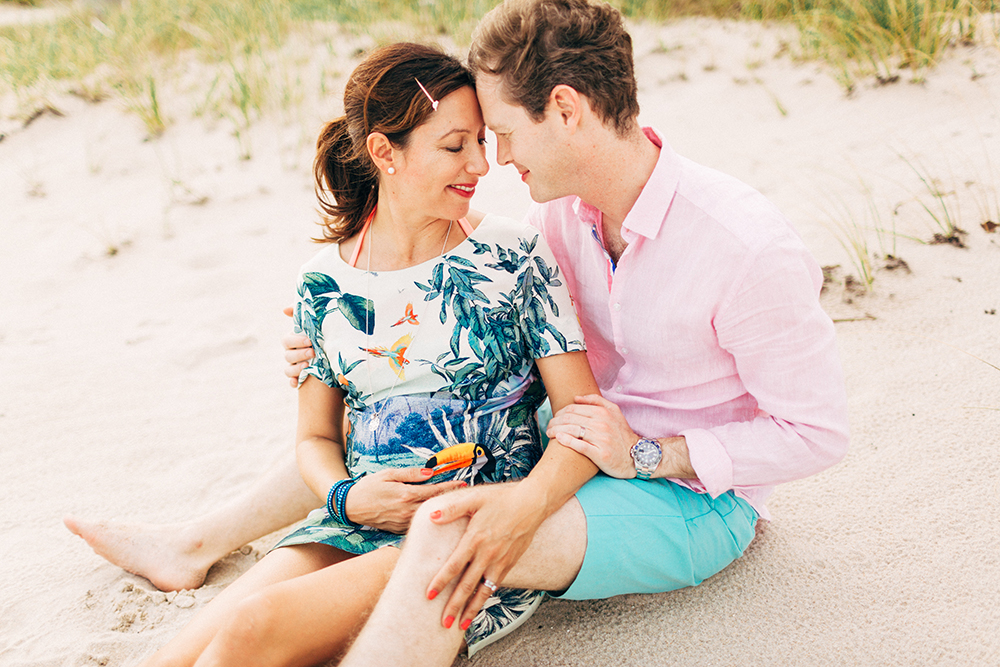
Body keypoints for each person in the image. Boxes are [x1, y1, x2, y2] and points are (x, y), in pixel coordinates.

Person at [328, 0, 850, 664]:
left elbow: (818, 432)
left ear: (566, 110)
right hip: (572, 442)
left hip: (690, 499)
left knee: (444, 531)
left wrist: (650, 452)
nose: (497, 157)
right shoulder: (563, 218)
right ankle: (200, 541)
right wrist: (348, 341)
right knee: (389, 397)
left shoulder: (745, 246)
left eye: (505, 132)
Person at [134, 41, 602, 666]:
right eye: (454, 145)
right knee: (180, 653)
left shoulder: (512, 256)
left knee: (253, 630)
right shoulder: (322, 285)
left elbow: (582, 415)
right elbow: (314, 441)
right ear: (386, 152)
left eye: (482, 143)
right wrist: (345, 497)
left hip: (462, 525)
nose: (480, 164)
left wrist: (524, 504)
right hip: (353, 517)